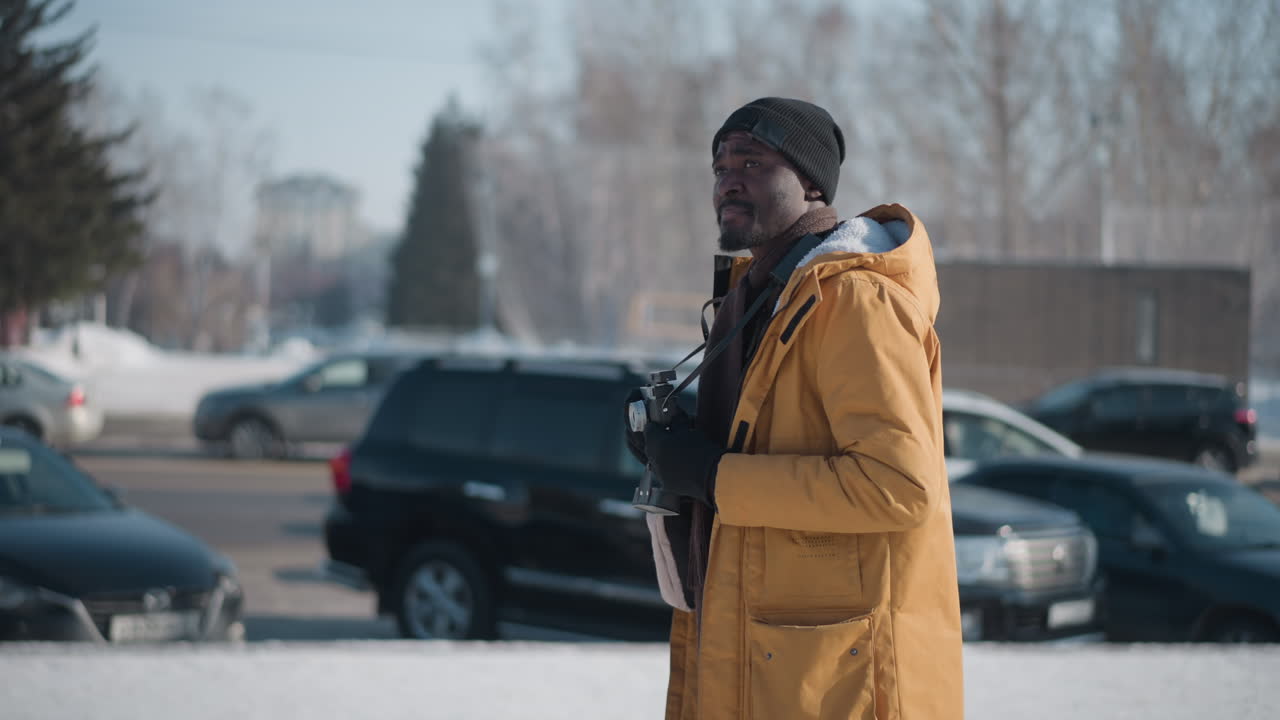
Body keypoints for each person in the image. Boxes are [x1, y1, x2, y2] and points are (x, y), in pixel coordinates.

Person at [626, 97, 964, 720]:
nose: (728, 179)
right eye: (720, 165)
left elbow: (900, 486)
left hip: (839, 685)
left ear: (811, 182)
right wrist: (677, 450)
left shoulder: (855, 301)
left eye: (752, 161)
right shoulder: (755, 300)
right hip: (769, 666)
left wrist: (713, 475)